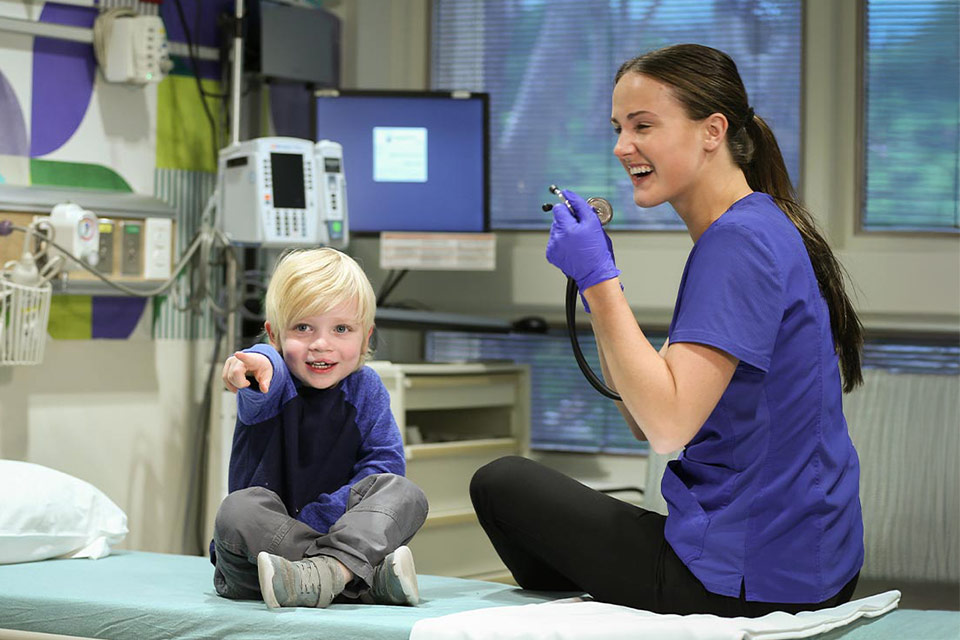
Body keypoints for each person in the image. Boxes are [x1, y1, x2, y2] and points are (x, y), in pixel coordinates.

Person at [470, 43, 865, 617]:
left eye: (643, 125)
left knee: (499, 484)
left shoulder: (738, 243)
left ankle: (577, 614)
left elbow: (665, 428)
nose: (622, 146)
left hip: (753, 583)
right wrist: (599, 286)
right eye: (619, 127)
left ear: (713, 131)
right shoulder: (756, 226)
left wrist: (600, 283)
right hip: (805, 567)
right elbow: (640, 411)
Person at [211, 247, 428, 609]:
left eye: (341, 328)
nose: (321, 344)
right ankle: (357, 579)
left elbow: (384, 466)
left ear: (366, 337)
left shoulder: (366, 389)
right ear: (275, 336)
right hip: (261, 560)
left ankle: (326, 575)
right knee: (237, 510)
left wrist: (326, 522)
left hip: (343, 536)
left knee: (404, 493)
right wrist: (257, 363)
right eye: (302, 327)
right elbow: (267, 367)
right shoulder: (272, 381)